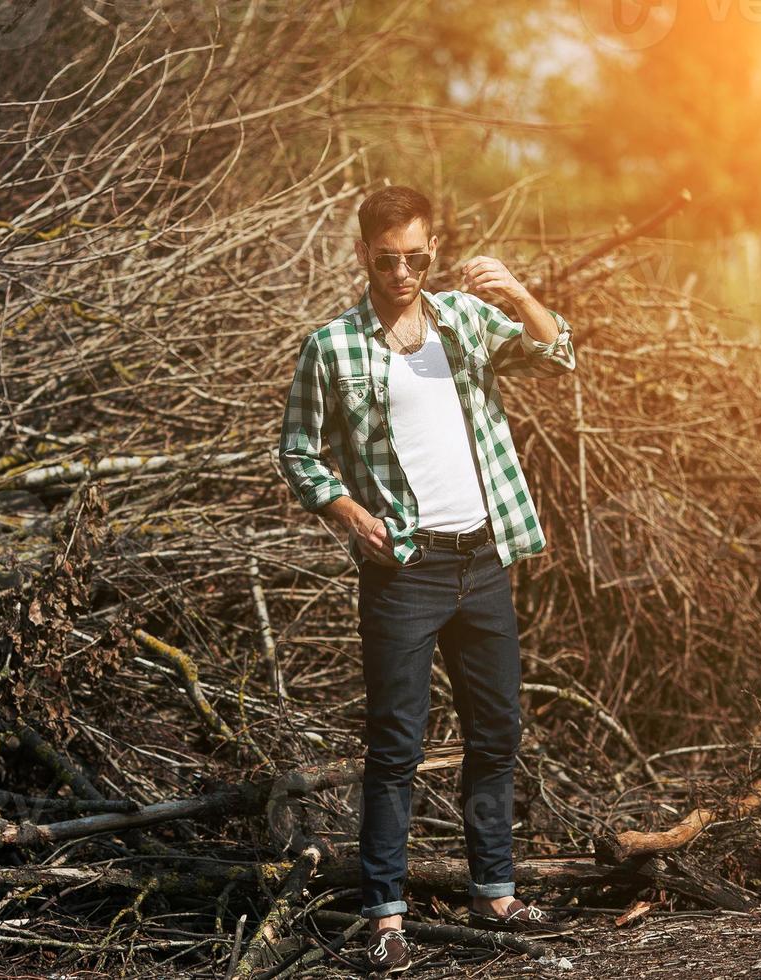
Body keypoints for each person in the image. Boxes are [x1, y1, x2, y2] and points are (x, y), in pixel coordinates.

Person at [276, 185, 577, 973]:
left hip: (483, 559)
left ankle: (497, 893)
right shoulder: (332, 346)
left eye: (417, 257)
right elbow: (299, 452)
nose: (403, 272)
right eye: (387, 260)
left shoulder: (467, 320)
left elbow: (557, 352)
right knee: (395, 747)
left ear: (433, 251)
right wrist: (345, 511)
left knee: (497, 732)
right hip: (403, 569)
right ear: (363, 255)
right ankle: (385, 917)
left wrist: (515, 291)